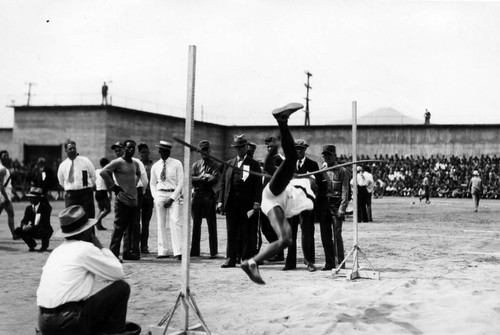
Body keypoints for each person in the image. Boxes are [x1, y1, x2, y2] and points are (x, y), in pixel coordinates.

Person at [241, 102, 316, 284]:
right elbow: (268, 167)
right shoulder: (299, 186)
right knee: (291, 158)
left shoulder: (302, 195)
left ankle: (251, 263)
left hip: (274, 200)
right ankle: (282, 120)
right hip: (275, 194)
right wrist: (273, 151)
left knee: (286, 240)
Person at [36, 205, 140, 335]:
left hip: (43, 322)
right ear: (86, 231)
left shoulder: (57, 251)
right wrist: (101, 247)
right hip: (67, 321)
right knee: (122, 288)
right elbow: (118, 273)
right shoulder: (85, 248)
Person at [217, 134, 262, 268]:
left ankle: (246, 259)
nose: (240, 149)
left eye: (242, 147)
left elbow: (258, 185)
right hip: (231, 203)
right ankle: (231, 258)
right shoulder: (229, 163)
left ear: (246, 147)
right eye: (237, 147)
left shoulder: (254, 164)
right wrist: (220, 201)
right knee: (232, 231)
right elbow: (223, 183)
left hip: (247, 204)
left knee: (247, 232)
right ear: (235, 148)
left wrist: (256, 202)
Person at [100, 139, 142, 260]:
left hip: (133, 200)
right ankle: (113, 255)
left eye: (133, 148)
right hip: (122, 201)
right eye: (128, 148)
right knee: (119, 228)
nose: (131, 150)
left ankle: (127, 253)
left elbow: (138, 174)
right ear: (124, 148)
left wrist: (134, 184)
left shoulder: (135, 163)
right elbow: (103, 172)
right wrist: (114, 186)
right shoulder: (118, 162)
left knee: (130, 229)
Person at [283, 138, 320, 272]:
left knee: (307, 233)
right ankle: (290, 262)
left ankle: (309, 261)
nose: (299, 151)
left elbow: (317, 186)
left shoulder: (312, 165)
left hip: (305, 204)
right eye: (296, 148)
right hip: (292, 204)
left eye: (301, 149)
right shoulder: (288, 164)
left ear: (305, 150)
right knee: (290, 233)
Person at [110, 141, 148, 259]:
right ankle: (116, 253)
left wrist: (138, 191)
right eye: (116, 151)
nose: (118, 152)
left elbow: (144, 179)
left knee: (134, 224)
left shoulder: (136, 162)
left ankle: (132, 250)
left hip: (136, 194)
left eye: (120, 150)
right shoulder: (116, 163)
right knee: (120, 225)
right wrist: (115, 189)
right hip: (122, 196)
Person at [318, 144, 350, 271]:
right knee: (325, 235)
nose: (327, 157)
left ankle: (340, 263)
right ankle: (329, 262)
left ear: (335, 156)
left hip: (336, 205)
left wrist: (342, 208)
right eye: (325, 155)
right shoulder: (322, 170)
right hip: (324, 205)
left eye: (329, 155)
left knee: (337, 234)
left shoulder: (342, 171)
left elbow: (345, 191)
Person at [150, 140, 184, 260]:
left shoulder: (177, 164)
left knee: (175, 221)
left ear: (169, 151)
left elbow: (181, 182)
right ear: (159, 151)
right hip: (160, 194)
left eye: (166, 150)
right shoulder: (155, 166)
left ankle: (178, 251)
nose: (164, 152)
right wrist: (156, 197)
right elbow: (152, 184)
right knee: (161, 223)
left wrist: (172, 198)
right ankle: (163, 251)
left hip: (173, 195)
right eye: (162, 150)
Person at [190, 140, 219, 258]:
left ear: (209, 150)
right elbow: (192, 179)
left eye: (206, 149)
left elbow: (214, 179)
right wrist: (203, 177)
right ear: (199, 152)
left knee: (211, 224)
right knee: (196, 224)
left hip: (209, 195)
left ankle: (213, 251)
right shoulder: (196, 165)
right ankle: (195, 251)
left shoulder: (215, 164)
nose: (205, 152)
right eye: (202, 150)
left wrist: (201, 178)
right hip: (197, 195)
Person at [57, 140, 96, 218]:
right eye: (70, 149)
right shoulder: (63, 165)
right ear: (65, 150)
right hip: (71, 196)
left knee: (88, 217)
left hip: (86, 194)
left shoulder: (85, 161)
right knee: (72, 218)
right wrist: (70, 188)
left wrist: (86, 187)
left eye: (74, 148)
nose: (73, 150)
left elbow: (93, 176)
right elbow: (61, 181)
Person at [14, 187, 53, 252]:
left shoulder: (45, 208)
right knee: (18, 230)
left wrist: (31, 227)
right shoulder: (28, 208)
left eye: (32, 197)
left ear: (38, 198)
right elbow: (24, 220)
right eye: (30, 197)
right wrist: (24, 226)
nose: (29, 199)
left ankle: (44, 246)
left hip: (44, 229)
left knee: (43, 230)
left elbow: (44, 223)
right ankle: (32, 244)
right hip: (33, 229)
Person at [138, 142, 154, 254]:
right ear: (139, 154)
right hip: (138, 196)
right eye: (142, 152)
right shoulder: (136, 164)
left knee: (146, 223)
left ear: (149, 152)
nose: (144, 154)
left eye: (145, 152)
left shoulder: (153, 166)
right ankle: (135, 245)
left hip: (148, 196)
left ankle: (144, 246)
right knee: (135, 222)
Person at [0, 151, 16, 239]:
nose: (7, 157)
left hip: (4, 195)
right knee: (11, 213)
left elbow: (7, 184)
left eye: (7, 155)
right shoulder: (2, 169)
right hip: (3, 196)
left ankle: (14, 234)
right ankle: (14, 234)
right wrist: (5, 198)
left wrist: (14, 193)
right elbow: (1, 185)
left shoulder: (4, 168)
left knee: (11, 213)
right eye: (4, 156)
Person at [94, 157, 111, 230]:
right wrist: (109, 192)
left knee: (101, 210)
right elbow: (107, 183)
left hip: (97, 192)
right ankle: (97, 221)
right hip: (103, 191)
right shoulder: (105, 172)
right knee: (108, 209)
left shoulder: (96, 171)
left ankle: (99, 225)